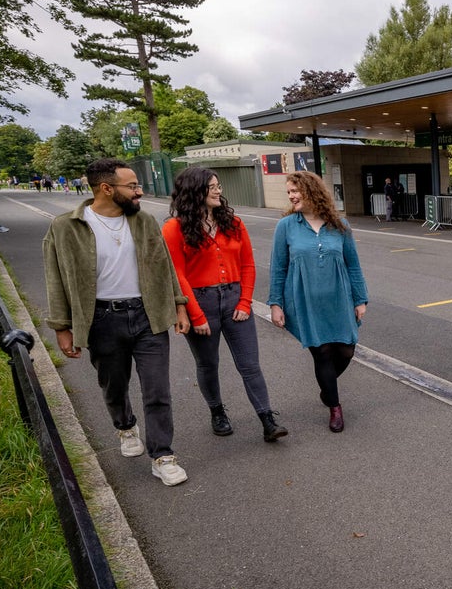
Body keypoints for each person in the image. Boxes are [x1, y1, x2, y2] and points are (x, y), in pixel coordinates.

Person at [43, 159, 192, 486]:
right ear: (106, 189)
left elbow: (165, 267)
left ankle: (162, 455)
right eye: (132, 186)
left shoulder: (144, 222)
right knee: (114, 385)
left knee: (157, 389)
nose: (139, 191)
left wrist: (180, 307)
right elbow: (55, 279)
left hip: (147, 315)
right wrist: (61, 327)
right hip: (101, 320)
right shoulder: (66, 227)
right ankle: (125, 427)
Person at [163, 167, 287, 443]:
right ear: (195, 191)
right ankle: (217, 411)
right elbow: (177, 274)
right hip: (201, 301)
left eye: (219, 186)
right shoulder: (174, 228)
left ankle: (267, 419)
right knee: (208, 364)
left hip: (234, 298)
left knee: (250, 364)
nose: (219, 191)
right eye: (212, 186)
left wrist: (245, 302)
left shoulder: (234, 223)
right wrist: (195, 315)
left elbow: (248, 265)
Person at [269, 171, 368, 433]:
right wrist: (275, 303)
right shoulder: (286, 226)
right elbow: (278, 268)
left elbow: (353, 265)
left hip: (339, 298)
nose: (291, 196)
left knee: (347, 349)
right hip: (304, 301)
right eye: (289, 192)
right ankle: (335, 407)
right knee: (322, 351)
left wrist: (360, 299)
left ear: (312, 190)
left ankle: (327, 388)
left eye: (295, 191)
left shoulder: (340, 225)